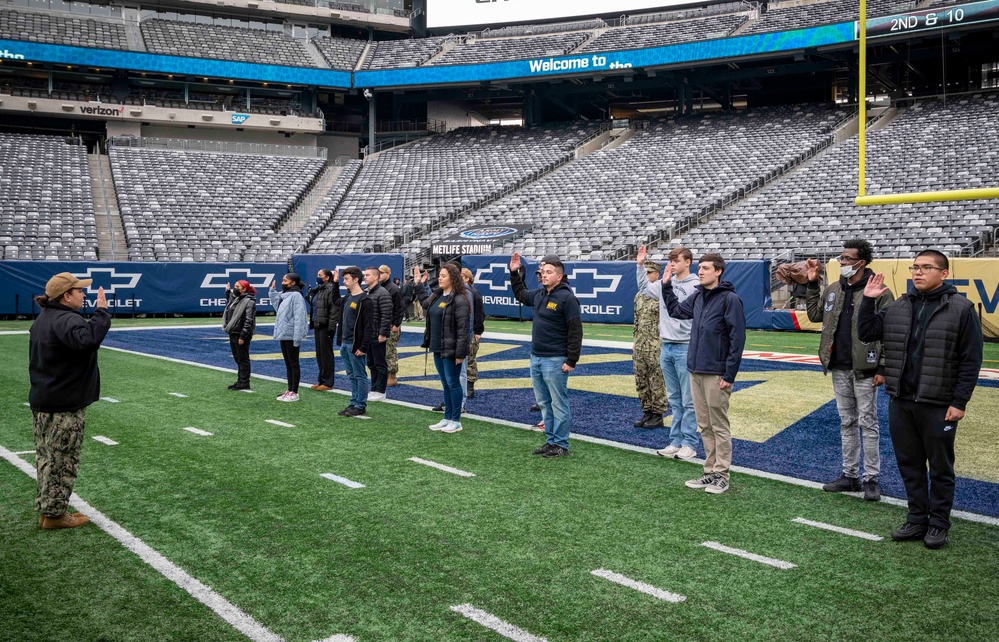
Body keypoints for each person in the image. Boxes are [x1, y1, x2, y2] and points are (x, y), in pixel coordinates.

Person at [858, 249, 983, 549]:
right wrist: (868, 300)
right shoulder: (900, 305)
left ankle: (939, 523)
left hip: (938, 403)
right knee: (909, 463)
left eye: (926, 267)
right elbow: (866, 332)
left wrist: (959, 402)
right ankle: (916, 518)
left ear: (944, 273)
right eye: (915, 267)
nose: (918, 272)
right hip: (901, 400)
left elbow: (970, 361)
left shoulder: (962, 309)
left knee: (940, 467)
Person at [805, 240, 894, 501]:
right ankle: (850, 475)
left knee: (868, 422)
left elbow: (890, 331)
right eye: (841, 258)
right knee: (847, 422)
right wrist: (812, 283)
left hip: (866, 368)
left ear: (861, 262)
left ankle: (871, 478)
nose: (841, 262)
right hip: (839, 365)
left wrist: (884, 366)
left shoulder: (879, 291)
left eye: (846, 258)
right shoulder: (834, 288)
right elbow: (814, 314)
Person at [29, 273, 111, 529]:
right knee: (62, 460)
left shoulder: (44, 319)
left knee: (46, 457)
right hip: (64, 404)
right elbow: (87, 340)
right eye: (79, 291)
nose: (83, 295)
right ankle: (54, 515)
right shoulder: (66, 319)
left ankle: (48, 510)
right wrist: (102, 313)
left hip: (45, 399)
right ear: (66, 296)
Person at [661, 253, 746, 494]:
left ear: (718, 271)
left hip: (716, 371)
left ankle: (722, 474)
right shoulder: (698, 295)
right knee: (705, 424)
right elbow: (676, 311)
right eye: (700, 268)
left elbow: (737, 339)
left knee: (719, 425)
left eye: (706, 268)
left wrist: (729, 374)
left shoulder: (730, 299)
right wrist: (667, 286)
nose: (701, 271)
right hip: (695, 369)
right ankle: (709, 471)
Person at [509, 252, 583, 458]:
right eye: (543, 271)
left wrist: (571, 360)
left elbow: (576, 331)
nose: (544, 275)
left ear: (559, 277)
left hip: (556, 359)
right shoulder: (540, 294)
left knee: (559, 403)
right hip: (537, 357)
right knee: (544, 403)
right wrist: (515, 273)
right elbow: (520, 294)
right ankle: (551, 441)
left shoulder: (567, 298)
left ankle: (561, 444)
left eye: (548, 272)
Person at [637, 245, 700, 458]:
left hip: (686, 345)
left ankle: (689, 443)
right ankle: (676, 441)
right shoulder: (667, 282)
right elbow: (644, 287)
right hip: (667, 345)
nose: (672, 263)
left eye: (676, 260)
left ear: (687, 262)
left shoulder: (696, 285)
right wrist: (640, 265)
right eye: (670, 260)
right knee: (674, 398)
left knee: (688, 399)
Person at [417, 263, 471, 433]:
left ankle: (456, 420)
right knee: (445, 384)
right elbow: (425, 304)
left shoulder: (460, 300)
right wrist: (419, 284)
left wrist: (460, 353)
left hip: (451, 348)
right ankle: (447, 417)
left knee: (453, 383)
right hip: (437, 346)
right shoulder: (437, 295)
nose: (440, 278)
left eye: (444, 276)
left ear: (453, 278)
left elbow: (463, 330)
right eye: (439, 275)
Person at [631, 258, 669, 429]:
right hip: (640, 344)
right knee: (641, 379)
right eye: (644, 273)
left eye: (649, 273)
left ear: (657, 274)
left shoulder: (661, 294)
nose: (646, 276)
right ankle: (647, 411)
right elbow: (637, 321)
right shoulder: (639, 295)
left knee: (656, 380)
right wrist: (635, 340)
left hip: (655, 345)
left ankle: (658, 413)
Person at [336, 267, 376, 417]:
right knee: (351, 375)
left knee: (359, 375)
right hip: (345, 343)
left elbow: (368, 326)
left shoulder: (365, 300)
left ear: (355, 279)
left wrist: (363, 346)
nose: (344, 282)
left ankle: (360, 404)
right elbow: (335, 302)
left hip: (355, 344)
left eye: (346, 279)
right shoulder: (347, 298)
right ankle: (353, 402)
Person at [269, 273, 308, 402]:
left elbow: (299, 316)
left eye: (285, 280)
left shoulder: (296, 296)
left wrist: (297, 336)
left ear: (293, 283)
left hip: (291, 334)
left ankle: (294, 391)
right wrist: (272, 292)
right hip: (284, 333)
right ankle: (289, 389)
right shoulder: (284, 295)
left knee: (293, 363)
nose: (283, 282)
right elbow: (277, 308)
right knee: (288, 363)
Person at [308, 268, 341, 392]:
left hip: (326, 325)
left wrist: (331, 327)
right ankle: (321, 380)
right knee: (319, 354)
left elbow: (334, 310)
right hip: (318, 323)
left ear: (327, 277)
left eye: (320, 275)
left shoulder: (330, 289)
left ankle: (328, 382)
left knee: (326, 354)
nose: (318, 276)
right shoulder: (320, 289)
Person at [363, 266, 393, 400]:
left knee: (380, 363)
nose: (365, 277)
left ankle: (381, 390)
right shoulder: (367, 292)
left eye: (368, 275)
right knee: (371, 363)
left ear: (375, 277)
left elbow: (387, 315)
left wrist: (382, 333)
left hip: (377, 334)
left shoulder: (383, 293)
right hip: (369, 334)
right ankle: (374, 388)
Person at [223, 279, 257, 391]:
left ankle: (244, 382)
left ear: (244, 289)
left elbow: (249, 320)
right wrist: (228, 293)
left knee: (243, 359)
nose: (235, 288)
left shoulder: (249, 301)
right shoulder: (237, 299)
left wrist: (243, 336)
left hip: (240, 333)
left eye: (237, 287)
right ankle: (240, 380)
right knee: (238, 358)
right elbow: (230, 307)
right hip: (233, 332)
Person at [379, 265, 406, 387]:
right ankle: (384, 374)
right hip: (381, 324)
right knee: (382, 351)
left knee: (390, 350)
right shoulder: (379, 287)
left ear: (388, 274)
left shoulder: (394, 289)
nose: (379, 275)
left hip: (391, 325)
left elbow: (400, 308)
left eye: (382, 273)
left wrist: (396, 324)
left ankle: (392, 376)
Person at [461, 267, 485, 399]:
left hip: (472, 331)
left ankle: (470, 386)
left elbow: (480, 313)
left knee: (470, 359)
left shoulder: (474, 293)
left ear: (467, 278)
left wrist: (478, 330)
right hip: (464, 331)